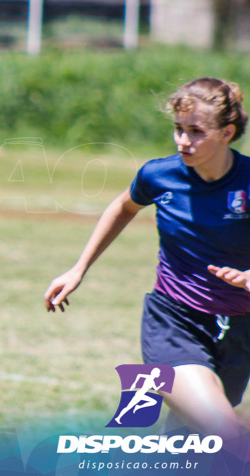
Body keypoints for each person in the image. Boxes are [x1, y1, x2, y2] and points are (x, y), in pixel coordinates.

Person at [44, 77, 250, 442]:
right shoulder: (159, 175)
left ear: (226, 132)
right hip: (175, 323)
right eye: (178, 129)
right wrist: (79, 268)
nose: (183, 140)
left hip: (241, 329)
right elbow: (123, 207)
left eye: (196, 131)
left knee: (194, 444)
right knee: (227, 434)